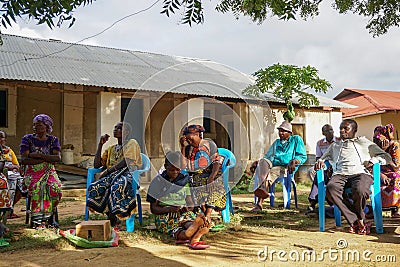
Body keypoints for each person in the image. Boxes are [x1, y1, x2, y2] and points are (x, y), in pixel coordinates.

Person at [315, 119, 392, 235]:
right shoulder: (335, 145)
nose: (342, 131)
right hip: (340, 174)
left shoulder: (363, 142)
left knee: (360, 189)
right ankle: (358, 220)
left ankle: (356, 221)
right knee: (331, 189)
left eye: (346, 128)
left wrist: (374, 160)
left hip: (360, 173)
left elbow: (386, 156)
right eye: (341, 128)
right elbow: (322, 158)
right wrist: (320, 162)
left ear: (354, 130)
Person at [147, 151, 210, 250]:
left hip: (182, 214)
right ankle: (190, 235)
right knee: (175, 229)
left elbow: (190, 204)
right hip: (165, 216)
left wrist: (186, 208)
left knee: (189, 221)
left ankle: (193, 228)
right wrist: (169, 209)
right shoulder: (158, 182)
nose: (175, 173)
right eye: (172, 170)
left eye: (177, 169)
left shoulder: (184, 181)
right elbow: (153, 208)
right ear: (165, 166)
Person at [87, 122, 142, 227]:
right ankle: (110, 216)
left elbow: (126, 161)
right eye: (115, 127)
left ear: (127, 132)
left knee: (117, 186)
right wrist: (100, 144)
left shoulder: (132, 143)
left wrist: (108, 171)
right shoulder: (111, 148)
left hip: (128, 174)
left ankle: (116, 216)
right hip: (111, 176)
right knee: (95, 187)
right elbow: (97, 164)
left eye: (119, 128)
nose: (115, 129)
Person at [251, 121, 307, 212]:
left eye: (283, 131)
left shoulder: (296, 140)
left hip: (286, 167)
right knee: (263, 162)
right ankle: (263, 189)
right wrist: (259, 162)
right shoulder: (277, 142)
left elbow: (302, 156)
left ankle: (259, 202)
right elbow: (268, 156)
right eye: (279, 131)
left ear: (289, 133)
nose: (280, 133)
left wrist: (294, 161)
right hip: (273, 165)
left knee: (269, 173)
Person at [19, 114, 62, 229]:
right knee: (38, 187)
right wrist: (47, 158)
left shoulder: (53, 140)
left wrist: (37, 155)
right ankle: (38, 221)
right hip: (32, 172)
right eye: (34, 125)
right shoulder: (27, 139)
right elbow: (24, 160)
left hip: (49, 171)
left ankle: (49, 218)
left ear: (47, 126)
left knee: (55, 188)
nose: (35, 127)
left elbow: (57, 158)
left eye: (39, 125)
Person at [180, 124, 225, 224]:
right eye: (186, 137)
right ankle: (204, 213)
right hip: (195, 176)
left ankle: (208, 214)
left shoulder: (209, 144)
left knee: (215, 185)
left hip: (211, 173)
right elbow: (183, 166)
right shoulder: (187, 148)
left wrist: (211, 177)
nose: (187, 139)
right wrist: (183, 147)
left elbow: (216, 162)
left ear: (197, 134)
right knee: (196, 184)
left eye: (189, 136)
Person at [305, 124, 340, 215]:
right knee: (314, 171)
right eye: (327, 131)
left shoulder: (339, 141)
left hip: (337, 164)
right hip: (324, 163)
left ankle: (313, 200)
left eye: (331, 130)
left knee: (321, 175)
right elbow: (318, 158)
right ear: (323, 133)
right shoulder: (320, 143)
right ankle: (320, 195)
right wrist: (322, 164)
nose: (330, 132)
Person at [372, 124, 400, 217]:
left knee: (395, 177)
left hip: (392, 171)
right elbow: (369, 165)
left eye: (378, 139)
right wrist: (380, 174)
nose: (375, 141)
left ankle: (395, 209)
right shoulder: (373, 148)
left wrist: (384, 154)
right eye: (374, 139)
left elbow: (396, 167)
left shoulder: (394, 146)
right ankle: (374, 208)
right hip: (378, 172)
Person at [0, 130, 24, 218]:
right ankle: (6, 211)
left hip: (12, 175)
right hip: (2, 176)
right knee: (10, 182)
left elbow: (17, 165)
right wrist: (9, 167)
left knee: (21, 188)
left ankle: (9, 209)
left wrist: (14, 168)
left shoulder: (9, 151)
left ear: (5, 139)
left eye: (1, 137)